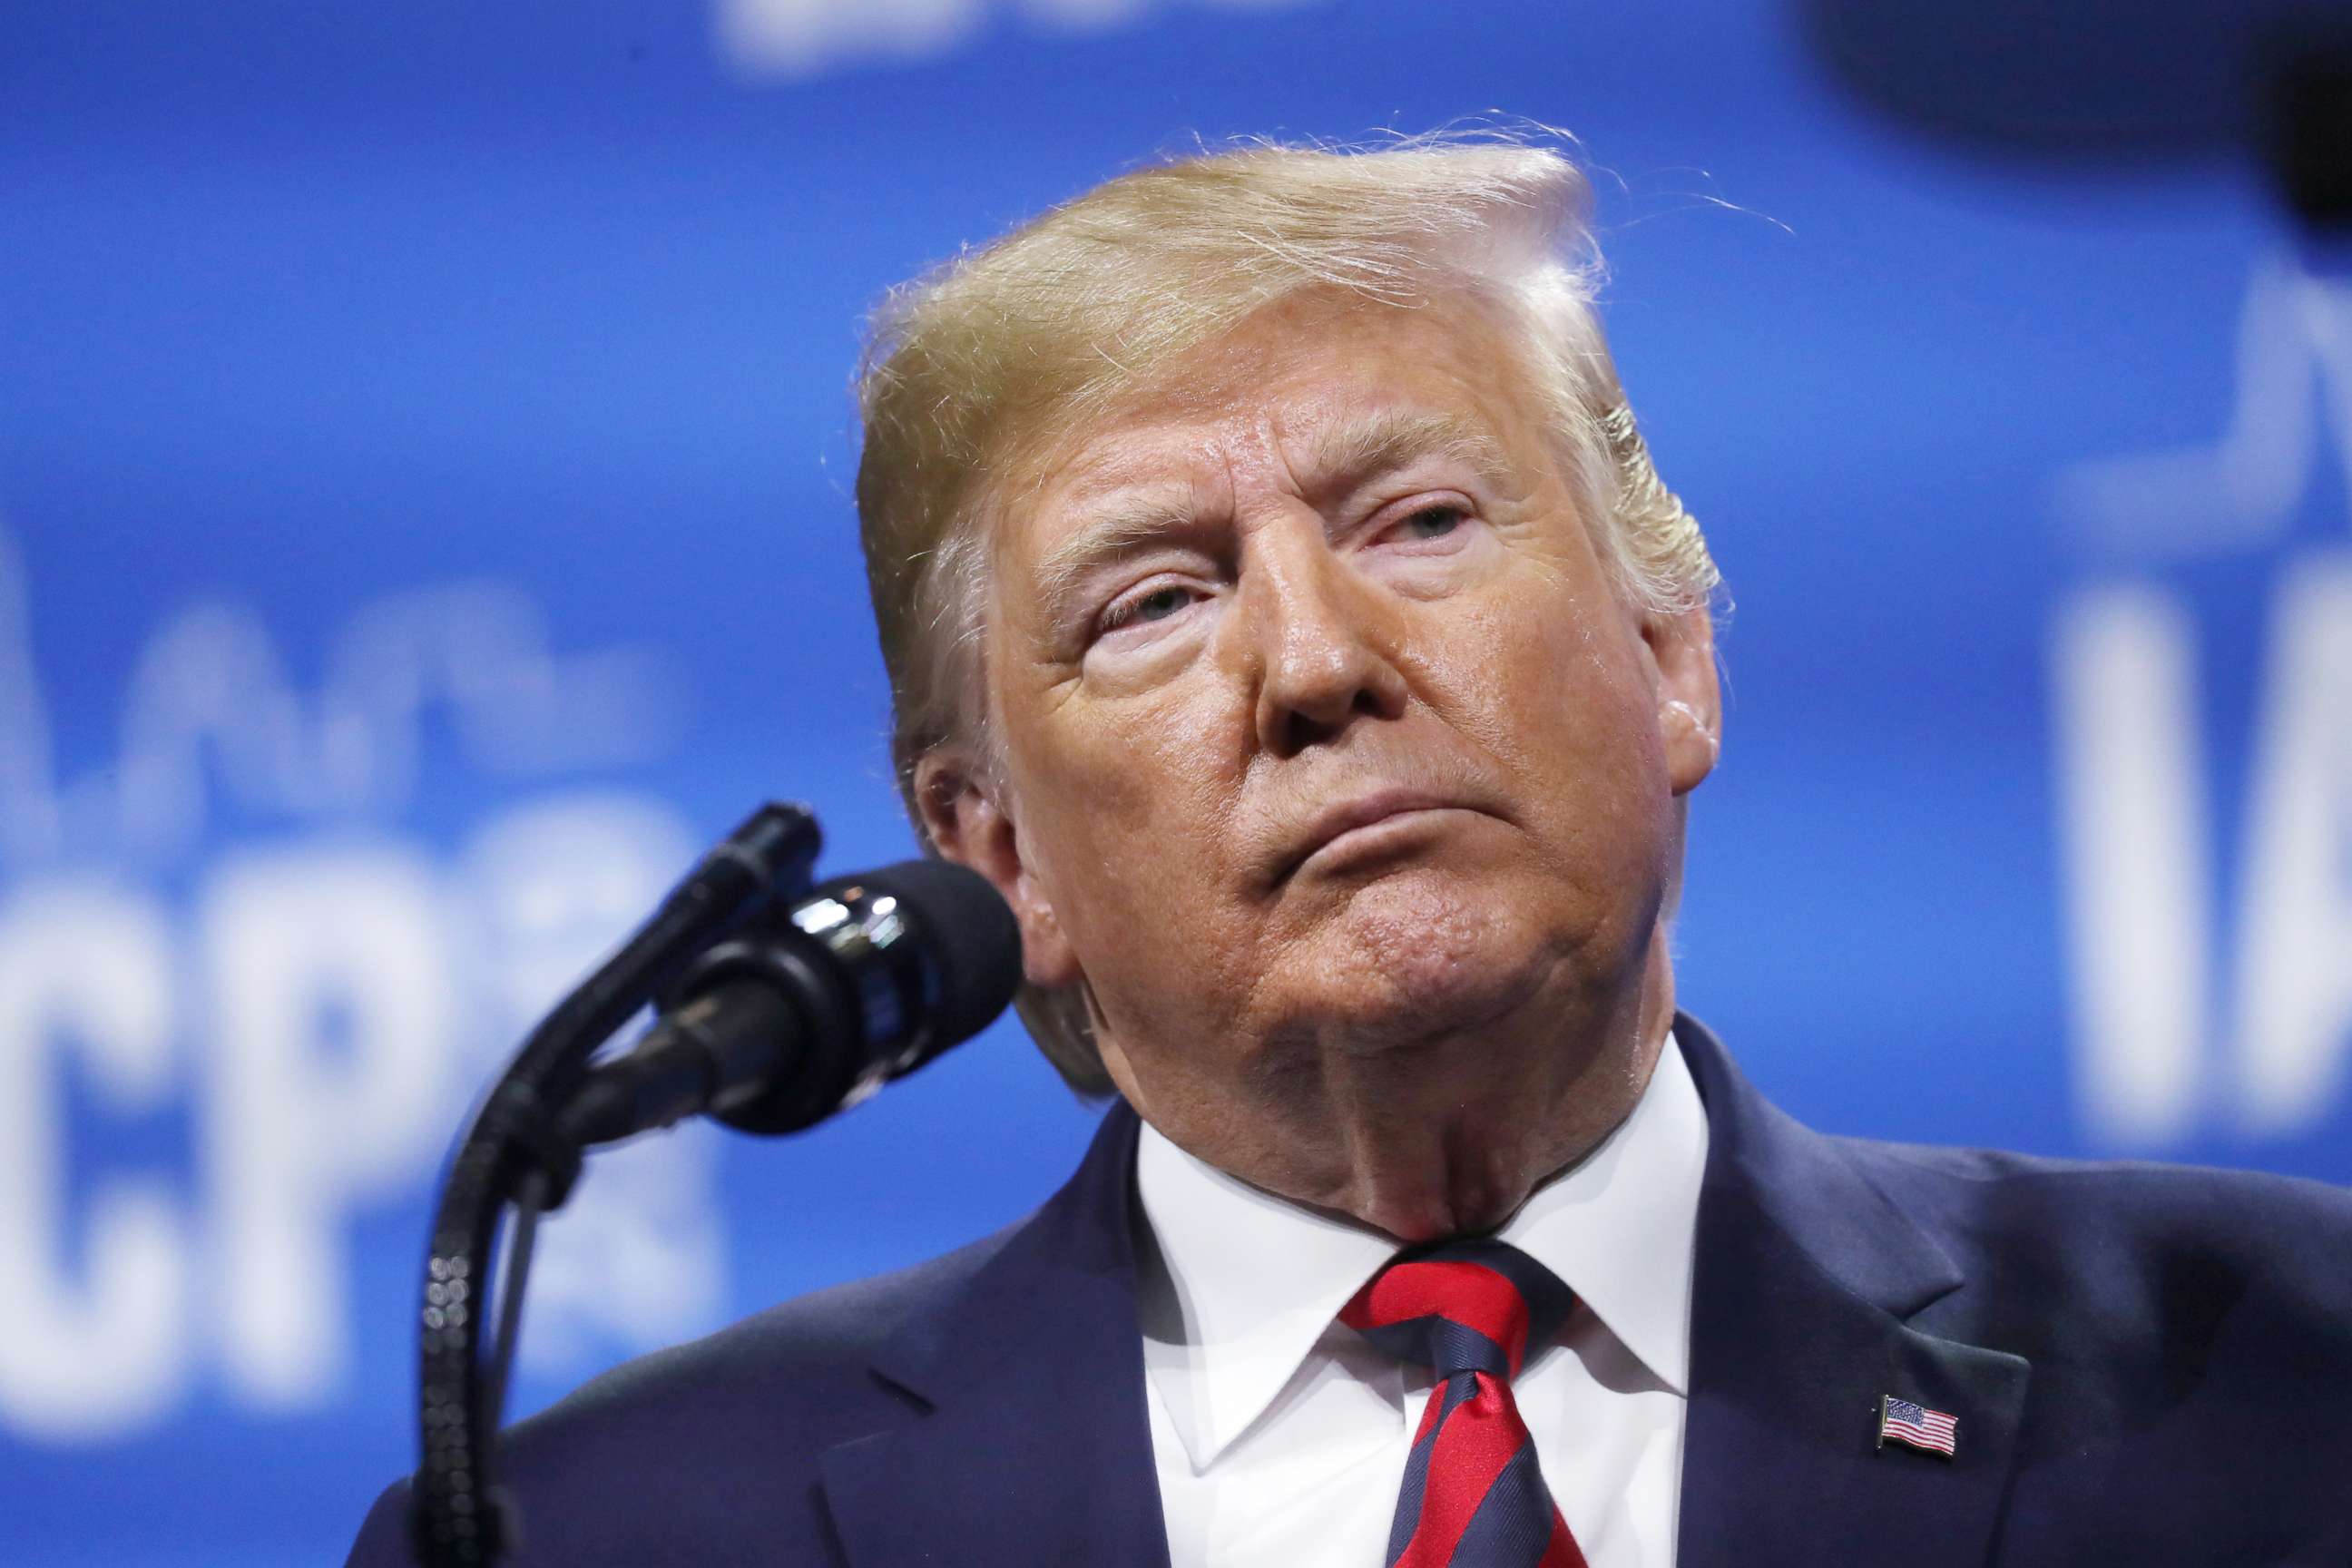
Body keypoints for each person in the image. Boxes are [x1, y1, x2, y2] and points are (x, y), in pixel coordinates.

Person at [348, 134, 2352, 1567]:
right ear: (995, 854)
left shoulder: (2281, 1382)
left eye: (1418, 522)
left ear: (1674, 662)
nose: (1313, 662)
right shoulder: (617, 1534)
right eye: (1151, 601)